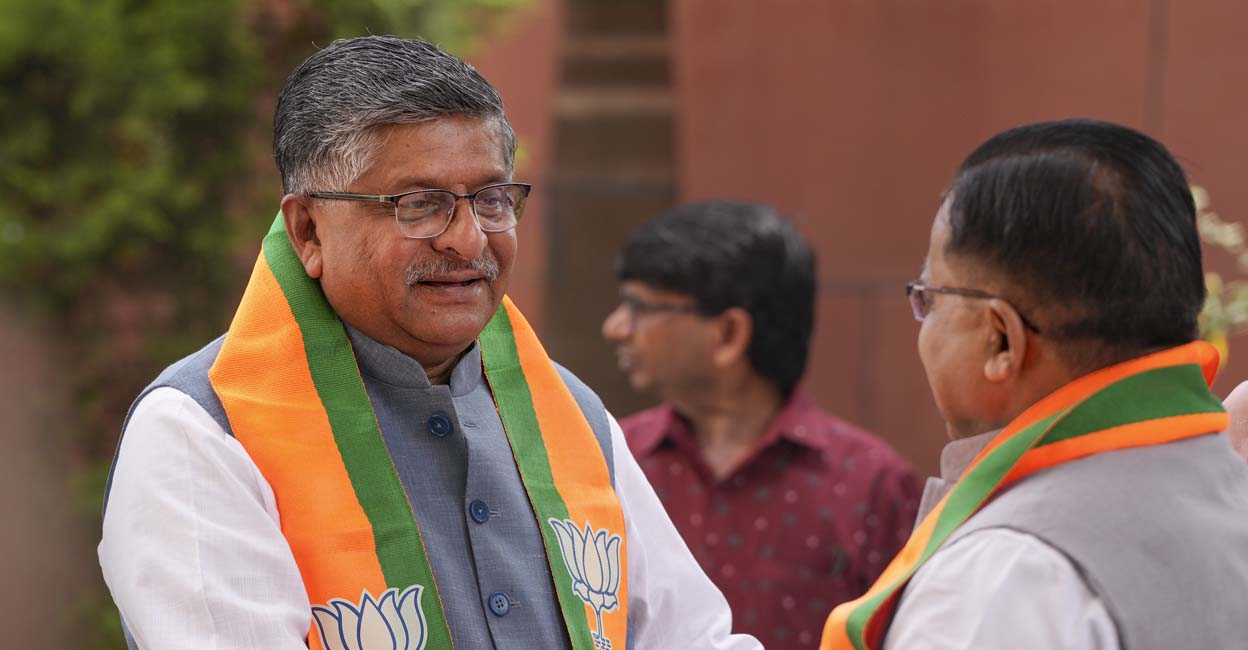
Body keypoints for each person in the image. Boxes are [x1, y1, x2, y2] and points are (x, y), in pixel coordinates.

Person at [99, 36, 761, 650]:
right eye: (420, 205)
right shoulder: (203, 434)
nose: (469, 240)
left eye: (493, 199)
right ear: (308, 232)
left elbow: (692, 636)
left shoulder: (570, 416)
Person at [821, 119, 1248, 650]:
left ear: (1002, 340)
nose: (923, 325)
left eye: (928, 298)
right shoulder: (1229, 484)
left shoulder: (1006, 577)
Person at [602, 201, 920, 649]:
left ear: (729, 333)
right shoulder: (613, 456)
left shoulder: (869, 484)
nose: (615, 327)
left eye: (639, 307)